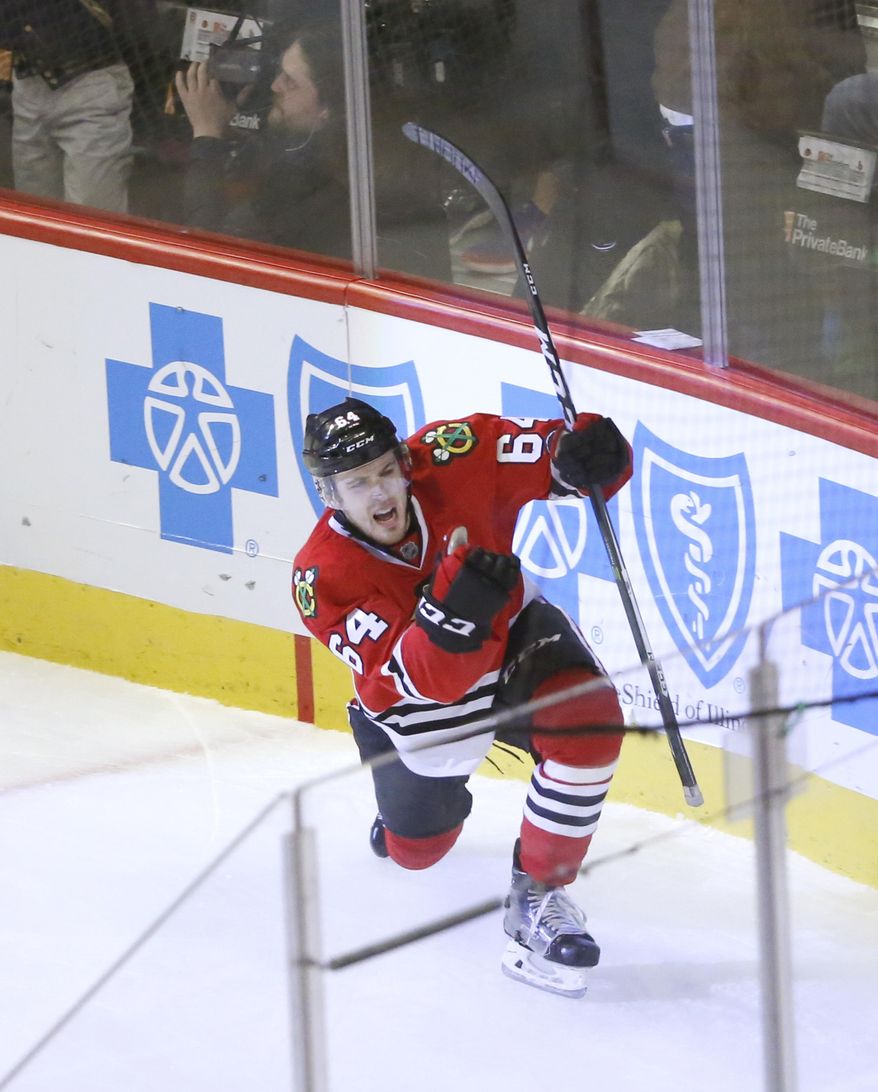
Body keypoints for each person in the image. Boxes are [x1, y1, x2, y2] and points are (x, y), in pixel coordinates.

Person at [292, 397, 632, 998]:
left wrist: (584, 455)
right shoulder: (322, 577)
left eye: (385, 471)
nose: (380, 495)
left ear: (405, 462)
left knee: (590, 723)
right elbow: (433, 682)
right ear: (330, 495)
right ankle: (400, 809)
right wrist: (454, 609)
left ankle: (537, 901)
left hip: (511, 634)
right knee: (418, 852)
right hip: (418, 697)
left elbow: (548, 455)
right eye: (357, 482)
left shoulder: (455, 453)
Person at [174, 19, 351, 260]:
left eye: (291, 81)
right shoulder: (311, 148)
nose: (275, 85)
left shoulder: (304, 182)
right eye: (279, 73)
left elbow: (206, 246)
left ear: (326, 109)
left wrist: (207, 135)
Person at [0, 0, 157, 213]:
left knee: (92, 221)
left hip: (90, 78)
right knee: (33, 216)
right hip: (29, 81)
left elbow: (139, 24)